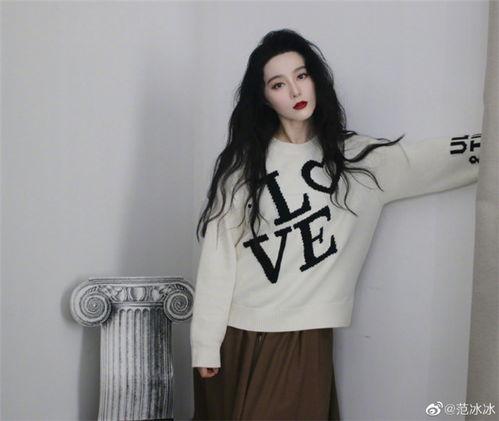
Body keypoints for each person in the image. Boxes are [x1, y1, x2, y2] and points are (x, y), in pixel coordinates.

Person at [189, 29, 481, 420]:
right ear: (265, 97)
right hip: (235, 334)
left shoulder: (359, 161)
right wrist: (205, 345)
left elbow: (433, 159)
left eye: (301, 75)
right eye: (279, 84)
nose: (295, 90)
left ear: (316, 79)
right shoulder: (244, 167)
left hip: (304, 336)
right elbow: (219, 258)